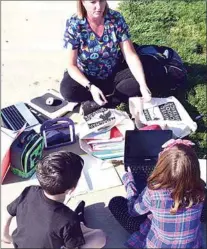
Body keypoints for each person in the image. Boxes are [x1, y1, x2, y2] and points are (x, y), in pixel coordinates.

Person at [109, 139, 206, 248]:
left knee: (116, 202)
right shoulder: (201, 190)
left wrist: (130, 182)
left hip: (157, 245)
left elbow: (133, 211)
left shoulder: (154, 192)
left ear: (161, 165)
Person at [1, 151, 106, 248]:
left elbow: (8, 213)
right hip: (64, 230)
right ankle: (80, 226)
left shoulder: (30, 191)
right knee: (99, 236)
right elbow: (73, 247)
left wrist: (5, 235)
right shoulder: (68, 219)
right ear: (70, 190)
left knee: (72, 227)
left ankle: (80, 226)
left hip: (20, 244)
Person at [60, 0, 152, 110]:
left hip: (112, 72)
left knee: (143, 77)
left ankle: (100, 102)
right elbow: (71, 65)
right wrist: (90, 86)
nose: (99, 7)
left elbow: (130, 55)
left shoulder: (116, 19)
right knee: (67, 91)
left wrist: (142, 84)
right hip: (86, 75)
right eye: (93, 2)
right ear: (82, 2)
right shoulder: (74, 24)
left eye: (102, 1)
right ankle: (105, 97)